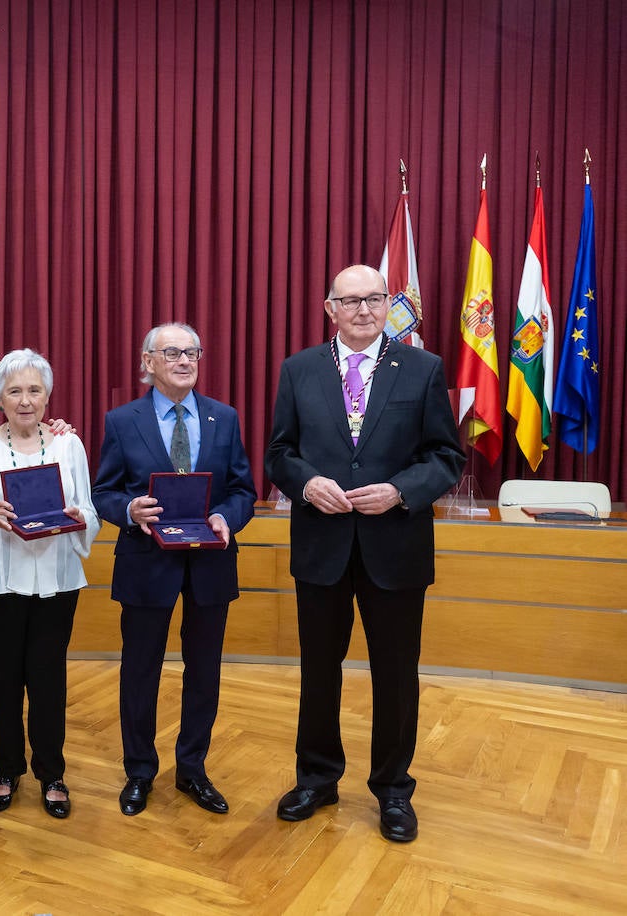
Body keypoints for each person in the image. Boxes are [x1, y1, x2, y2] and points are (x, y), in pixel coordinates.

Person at [265, 264, 463, 843]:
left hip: (394, 545)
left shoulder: (422, 369)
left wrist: (402, 489)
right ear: (329, 308)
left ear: (387, 304)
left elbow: (445, 456)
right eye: (349, 301)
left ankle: (394, 790)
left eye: (373, 299)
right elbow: (279, 452)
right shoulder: (298, 369)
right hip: (322, 545)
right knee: (318, 671)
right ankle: (318, 778)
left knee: (396, 674)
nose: (362, 310)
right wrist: (305, 483)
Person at [92, 322, 256, 817]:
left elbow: (243, 490)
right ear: (148, 363)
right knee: (140, 672)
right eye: (172, 353)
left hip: (210, 564)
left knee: (203, 673)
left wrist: (227, 518)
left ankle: (192, 769)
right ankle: (139, 771)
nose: (185, 361)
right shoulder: (122, 421)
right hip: (147, 564)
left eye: (192, 353)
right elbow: (104, 492)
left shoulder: (223, 418)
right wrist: (128, 511)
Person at [0, 348, 99, 819]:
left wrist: (78, 517)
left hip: (57, 582)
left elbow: (90, 511)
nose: (25, 400)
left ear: (48, 396)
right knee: (4, 681)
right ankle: (7, 770)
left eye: (34, 390)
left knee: (49, 681)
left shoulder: (68, 445)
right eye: (15, 391)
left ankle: (52, 773)